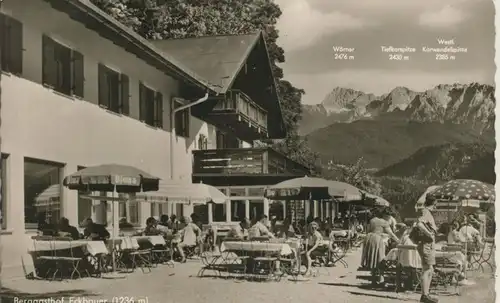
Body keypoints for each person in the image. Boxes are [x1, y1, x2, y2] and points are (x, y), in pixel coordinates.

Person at [361, 207, 399, 285]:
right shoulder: (384, 222)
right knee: (380, 259)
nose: (389, 218)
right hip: (378, 240)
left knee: (373, 258)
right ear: (385, 215)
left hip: (369, 238)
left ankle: (373, 278)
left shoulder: (372, 220)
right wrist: (399, 241)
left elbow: (368, 231)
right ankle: (381, 279)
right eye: (389, 216)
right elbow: (391, 234)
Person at [415, 196, 439, 303]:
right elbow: (419, 224)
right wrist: (429, 233)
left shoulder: (426, 212)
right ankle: (424, 295)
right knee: (427, 269)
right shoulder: (426, 212)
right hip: (426, 244)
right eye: (436, 204)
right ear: (433, 204)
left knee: (430, 269)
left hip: (428, 244)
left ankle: (426, 294)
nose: (436, 207)